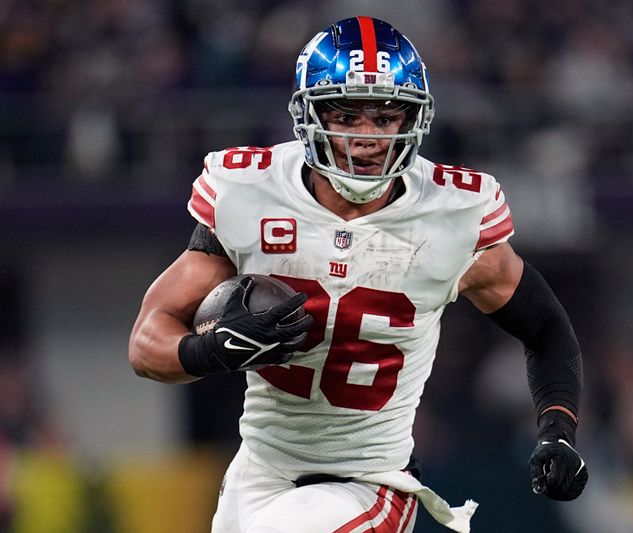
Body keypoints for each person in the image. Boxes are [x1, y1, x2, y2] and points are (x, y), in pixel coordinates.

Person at [129, 16, 587, 533]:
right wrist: (209, 351)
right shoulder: (249, 191)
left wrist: (558, 428)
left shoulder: (454, 213)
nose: (366, 138)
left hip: (371, 480)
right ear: (309, 116)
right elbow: (148, 344)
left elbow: (547, 328)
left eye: (387, 117)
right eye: (346, 116)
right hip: (260, 471)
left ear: (413, 120)